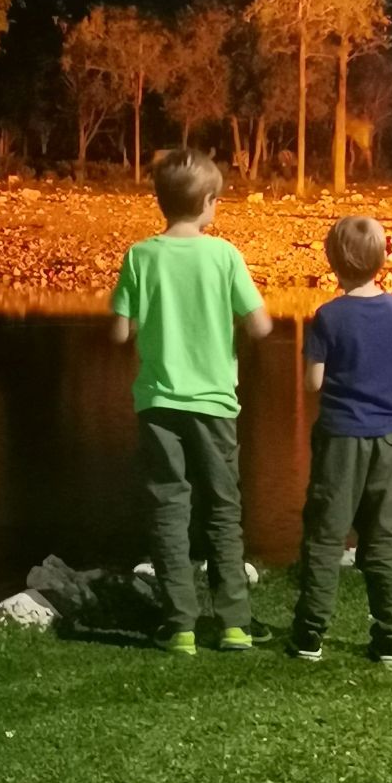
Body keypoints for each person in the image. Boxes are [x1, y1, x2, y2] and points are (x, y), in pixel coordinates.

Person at [111, 149, 272, 655]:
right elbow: (261, 325)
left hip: (158, 403)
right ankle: (234, 624)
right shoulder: (224, 256)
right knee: (223, 510)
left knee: (168, 507)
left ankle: (180, 624)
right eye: (217, 201)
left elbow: (119, 332)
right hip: (216, 405)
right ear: (207, 202)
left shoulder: (140, 255)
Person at [292, 216, 392, 664]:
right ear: (382, 259)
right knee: (385, 536)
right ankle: (390, 634)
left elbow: (313, 383)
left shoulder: (328, 317)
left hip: (340, 439)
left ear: (333, 261)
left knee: (326, 535)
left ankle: (310, 633)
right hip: (389, 438)